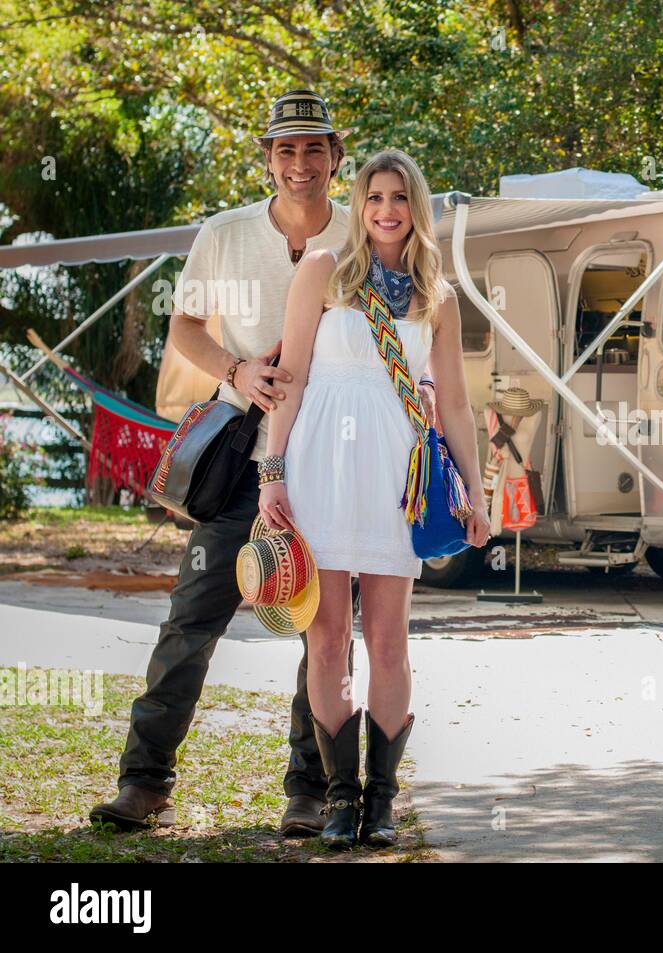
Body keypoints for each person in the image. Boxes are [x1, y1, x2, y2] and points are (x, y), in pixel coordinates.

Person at [90, 90, 384, 837]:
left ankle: (309, 790)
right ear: (267, 159)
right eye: (285, 149)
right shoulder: (223, 234)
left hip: (328, 464)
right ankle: (144, 781)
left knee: (322, 632)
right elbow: (186, 326)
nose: (299, 163)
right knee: (190, 620)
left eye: (313, 148)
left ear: (335, 157)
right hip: (238, 469)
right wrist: (236, 371)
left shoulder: (365, 234)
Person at [258, 148, 490, 848]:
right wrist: (273, 470)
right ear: (358, 205)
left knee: (388, 640)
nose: (385, 210)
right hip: (320, 466)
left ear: (415, 208)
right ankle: (337, 797)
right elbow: (289, 377)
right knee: (325, 640)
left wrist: (476, 492)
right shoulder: (323, 271)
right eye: (373, 197)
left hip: (396, 476)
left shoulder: (437, 296)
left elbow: (453, 402)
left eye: (398, 198)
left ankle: (381, 802)